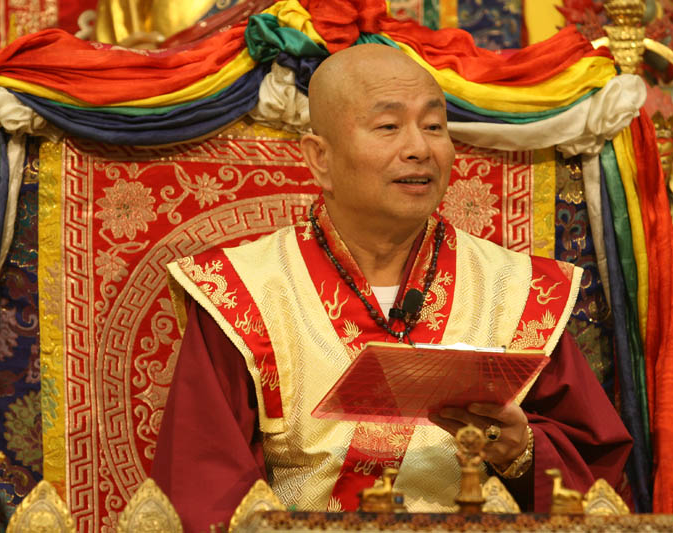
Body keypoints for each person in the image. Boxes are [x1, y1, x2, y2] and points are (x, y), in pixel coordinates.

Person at [151, 43, 632, 531]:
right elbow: (205, 488)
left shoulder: (517, 291)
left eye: (434, 126)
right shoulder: (244, 292)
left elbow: (598, 484)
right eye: (388, 126)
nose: (419, 148)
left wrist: (520, 451)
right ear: (320, 158)